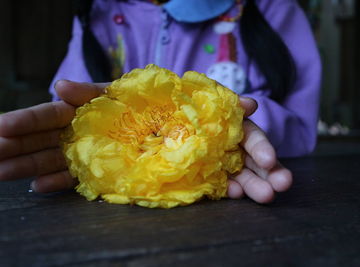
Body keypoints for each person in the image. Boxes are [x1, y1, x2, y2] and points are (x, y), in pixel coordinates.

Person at [0, 0, 321, 204]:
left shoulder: (271, 8)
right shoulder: (98, 11)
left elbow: (300, 123)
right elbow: (71, 113)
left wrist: (230, 129)